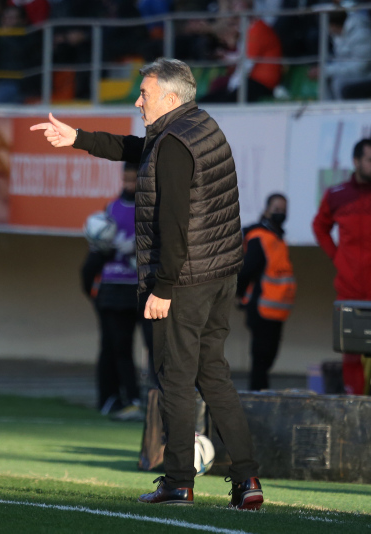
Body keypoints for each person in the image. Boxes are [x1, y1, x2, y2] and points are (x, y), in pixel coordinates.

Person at [30, 58, 263, 509]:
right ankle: (247, 480)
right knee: (213, 375)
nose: (138, 101)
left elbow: (174, 224)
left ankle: (178, 480)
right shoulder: (197, 125)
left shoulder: (174, 142)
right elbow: (139, 150)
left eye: (145, 94)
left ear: (171, 99)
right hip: (217, 275)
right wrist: (77, 138)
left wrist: (163, 287)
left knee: (174, 380)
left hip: (186, 280)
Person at [313, 139, 371, 395]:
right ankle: (353, 403)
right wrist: (337, 257)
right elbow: (319, 227)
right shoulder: (336, 195)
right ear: (356, 162)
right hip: (349, 284)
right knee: (350, 350)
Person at [80, 162, 145, 420]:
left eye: (134, 180)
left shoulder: (154, 207)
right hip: (114, 289)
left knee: (157, 347)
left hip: (144, 288)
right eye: (126, 180)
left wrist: (138, 248)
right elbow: (98, 252)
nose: (129, 186)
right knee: (118, 347)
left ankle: (154, 400)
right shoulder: (111, 208)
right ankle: (121, 399)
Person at [236, 193, 296, 391]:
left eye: (283, 210)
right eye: (276, 209)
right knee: (260, 359)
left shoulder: (278, 238)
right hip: (261, 307)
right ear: (266, 210)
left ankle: (261, 395)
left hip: (277, 310)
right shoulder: (259, 237)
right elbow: (248, 269)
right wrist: (239, 294)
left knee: (267, 358)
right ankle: (257, 398)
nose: (280, 213)